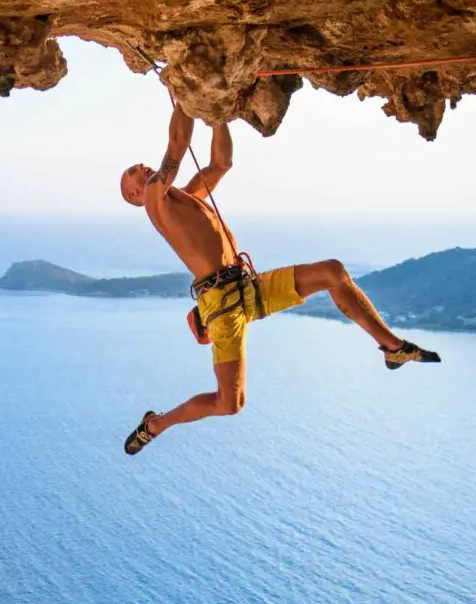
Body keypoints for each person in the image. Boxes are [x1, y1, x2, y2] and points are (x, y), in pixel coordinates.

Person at [119, 103, 440, 456]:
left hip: (247, 286)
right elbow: (178, 142)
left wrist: (219, 113)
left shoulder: (187, 196)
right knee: (230, 403)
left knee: (333, 272)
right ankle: (155, 425)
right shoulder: (154, 199)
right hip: (222, 308)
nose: (141, 167)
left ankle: (393, 349)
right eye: (134, 172)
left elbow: (221, 163)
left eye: (139, 166)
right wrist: (186, 94)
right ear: (135, 195)